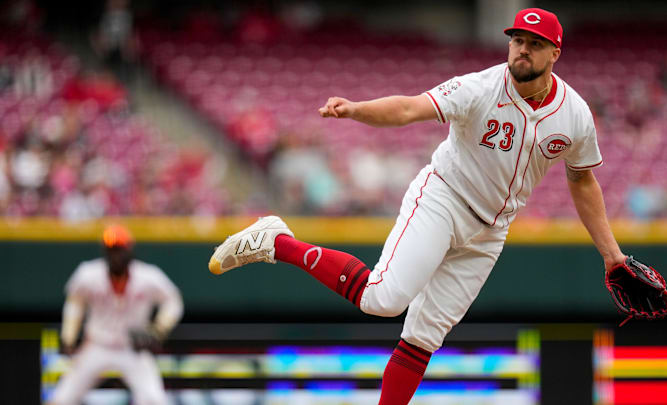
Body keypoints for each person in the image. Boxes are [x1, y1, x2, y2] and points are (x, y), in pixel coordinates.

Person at [209, 8, 626, 405]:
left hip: (491, 231)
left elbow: (582, 178)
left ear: (555, 52)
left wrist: (612, 256)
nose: (522, 49)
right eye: (517, 39)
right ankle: (278, 242)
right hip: (444, 200)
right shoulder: (479, 88)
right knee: (382, 299)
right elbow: (410, 107)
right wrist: (356, 109)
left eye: (534, 43)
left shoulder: (575, 115)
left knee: (424, 338)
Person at [50, 225, 183, 405]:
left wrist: (159, 328)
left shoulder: (148, 276)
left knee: (154, 400)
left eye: (120, 250)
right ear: (105, 252)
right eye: (111, 250)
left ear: (129, 251)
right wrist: (69, 335)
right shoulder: (89, 274)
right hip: (97, 345)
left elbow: (173, 301)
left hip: (132, 348)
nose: (116, 255)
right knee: (62, 398)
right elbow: (75, 303)